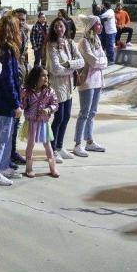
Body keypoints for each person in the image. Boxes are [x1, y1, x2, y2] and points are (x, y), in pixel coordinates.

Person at [0, 15, 23, 186]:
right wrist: (15, 103)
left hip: (3, 99)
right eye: (17, 26)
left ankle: (2, 166)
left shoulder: (2, 48)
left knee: (6, 136)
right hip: (3, 101)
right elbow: (8, 79)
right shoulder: (5, 50)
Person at [45, 17, 85, 162]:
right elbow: (55, 69)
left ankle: (60, 146)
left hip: (68, 86)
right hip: (56, 85)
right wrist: (71, 68)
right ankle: (52, 149)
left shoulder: (70, 43)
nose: (58, 29)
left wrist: (68, 64)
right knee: (58, 117)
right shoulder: (51, 45)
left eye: (60, 26)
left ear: (65, 28)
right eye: (55, 27)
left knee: (66, 116)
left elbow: (82, 61)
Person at [73, 15, 107, 156]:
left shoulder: (97, 40)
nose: (101, 26)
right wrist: (102, 62)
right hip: (87, 80)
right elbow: (94, 61)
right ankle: (78, 143)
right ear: (92, 26)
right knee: (84, 113)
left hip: (98, 80)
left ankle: (90, 141)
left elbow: (105, 59)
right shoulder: (84, 42)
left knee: (92, 112)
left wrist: (102, 61)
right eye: (98, 24)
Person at [19, 66, 60, 178]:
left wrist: (48, 109)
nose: (46, 78)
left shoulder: (50, 91)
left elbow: (55, 105)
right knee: (30, 144)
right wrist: (21, 98)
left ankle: (53, 167)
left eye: (47, 75)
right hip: (31, 122)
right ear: (35, 77)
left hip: (43, 123)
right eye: (43, 75)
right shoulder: (27, 91)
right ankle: (29, 168)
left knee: (47, 145)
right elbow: (22, 107)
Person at [9, 8, 30, 167]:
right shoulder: (8, 37)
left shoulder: (24, 34)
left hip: (21, 80)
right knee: (9, 122)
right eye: (19, 19)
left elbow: (24, 59)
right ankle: (7, 155)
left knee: (16, 121)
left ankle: (12, 152)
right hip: (11, 82)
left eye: (24, 19)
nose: (21, 22)